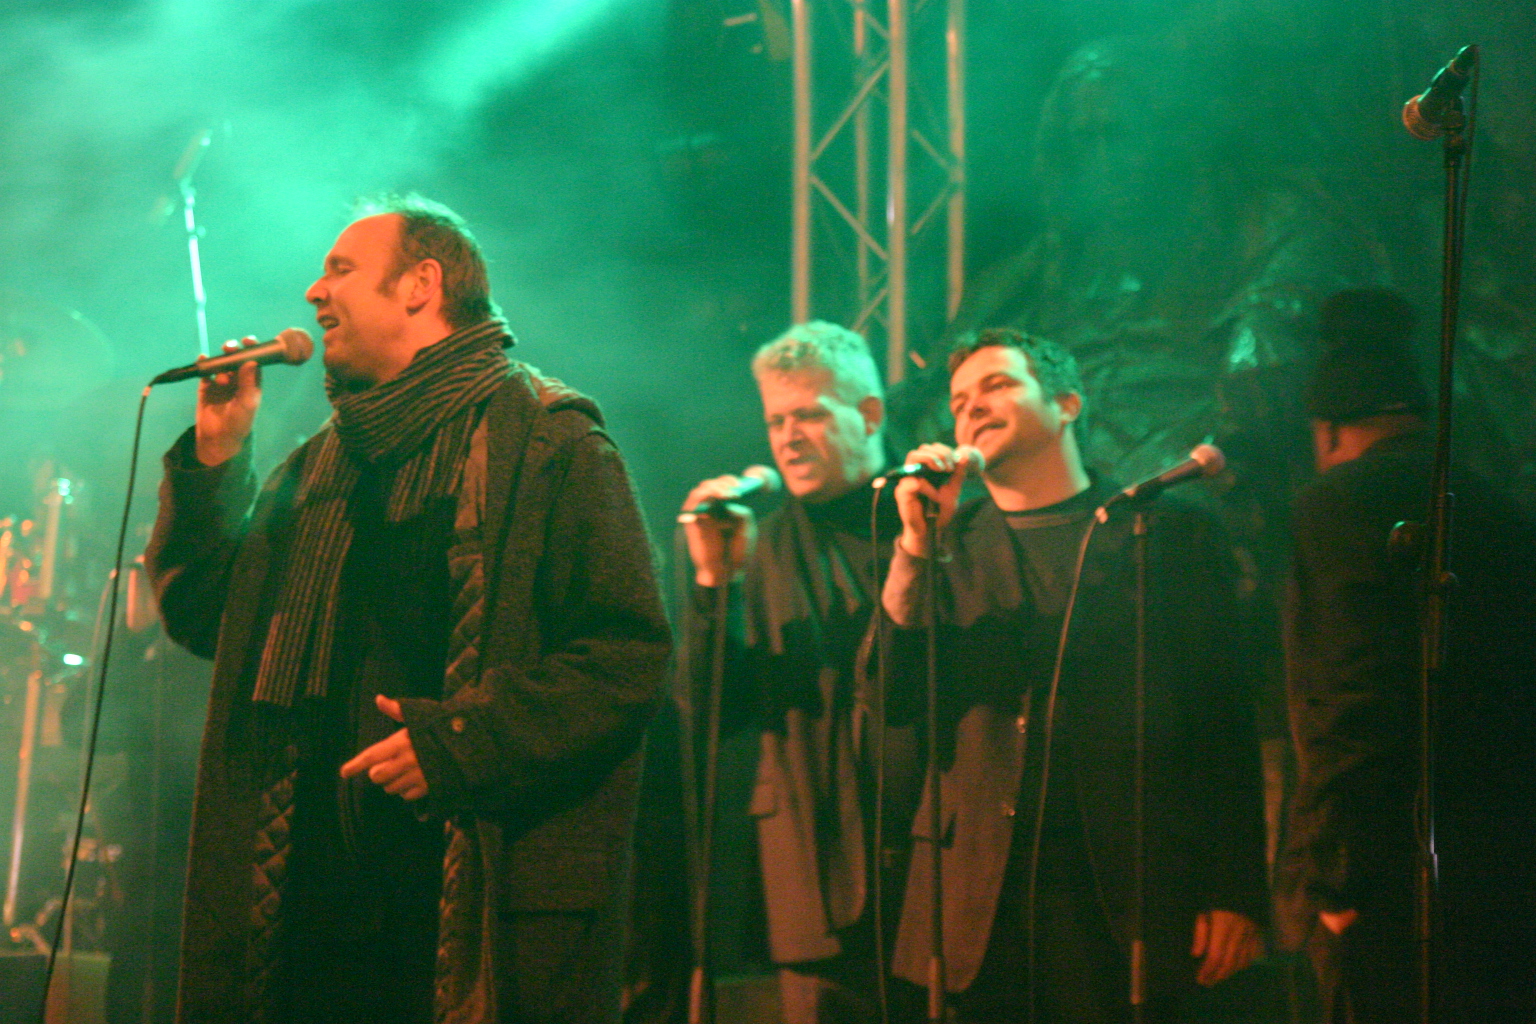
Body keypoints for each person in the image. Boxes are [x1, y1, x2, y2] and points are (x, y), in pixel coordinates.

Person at [145, 195, 670, 1024]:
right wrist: (217, 455)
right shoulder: (314, 471)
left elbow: (626, 658)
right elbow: (210, 618)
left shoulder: (550, 442)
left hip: (464, 909)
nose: (314, 292)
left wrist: (460, 741)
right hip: (309, 919)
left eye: (341, 269)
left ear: (422, 284)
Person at [880, 328, 1268, 1023]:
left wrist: (1235, 889)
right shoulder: (947, 541)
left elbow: (1223, 718)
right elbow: (888, 697)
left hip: (1123, 897)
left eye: (998, 384)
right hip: (976, 905)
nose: (972, 407)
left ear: (1066, 404)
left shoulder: (1167, 532)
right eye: (959, 401)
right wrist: (914, 547)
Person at [1280, 288, 1536, 1023]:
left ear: (1328, 430)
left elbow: (1350, 692)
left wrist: (1334, 879)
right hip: (1503, 873)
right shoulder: (1497, 506)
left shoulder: (1333, 504)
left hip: (1388, 881)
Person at [679, 321, 913, 1024]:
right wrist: (714, 584)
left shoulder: (935, 519)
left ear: (869, 413)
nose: (788, 438)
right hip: (811, 878)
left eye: (808, 414)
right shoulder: (764, 546)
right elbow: (713, 711)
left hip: (932, 872)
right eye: (776, 421)